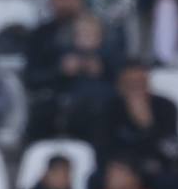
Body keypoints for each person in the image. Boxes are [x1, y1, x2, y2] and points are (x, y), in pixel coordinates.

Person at [95, 61, 178, 189]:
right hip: (120, 167)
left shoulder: (166, 107)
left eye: (141, 83)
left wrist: (147, 126)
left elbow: (170, 148)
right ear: (121, 86)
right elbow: (103, 147)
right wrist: (123, 170)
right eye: (132, 84)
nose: (137, 89)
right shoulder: (109, 108)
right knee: (95, 181)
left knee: (173, 180)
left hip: (155, 166)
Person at [26, 9, 121, 141]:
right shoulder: (63, 55)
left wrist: (102, 71)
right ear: (73, 37)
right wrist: (61, 71)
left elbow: (119, 83)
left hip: (101, 111)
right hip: (69, 109)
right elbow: (39, 80)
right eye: (81, 34)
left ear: (101, 38)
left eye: (91, 35)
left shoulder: (108, 58)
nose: (86, 39)